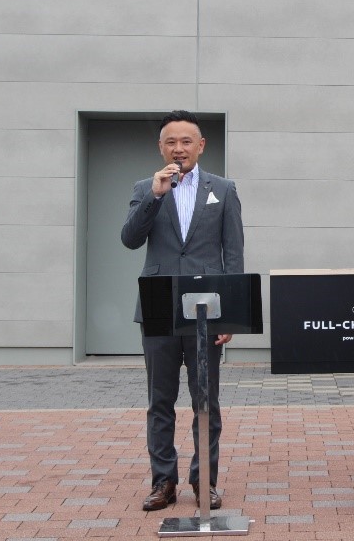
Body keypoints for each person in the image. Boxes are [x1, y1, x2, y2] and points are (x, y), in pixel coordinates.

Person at [121, 109, 244, 511]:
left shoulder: (223, 189)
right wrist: (155, 197)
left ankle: (204, 481)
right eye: (171, 142)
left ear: (200, 145)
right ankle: (163, 482)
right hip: (158, 306)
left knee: (206, 402)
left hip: (207, 308)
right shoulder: (146, 188)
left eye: (186, 141)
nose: (179, 148)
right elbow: (130, 239)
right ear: (161, 147)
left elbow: (233, 254)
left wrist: (230, 314)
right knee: (160, 401)